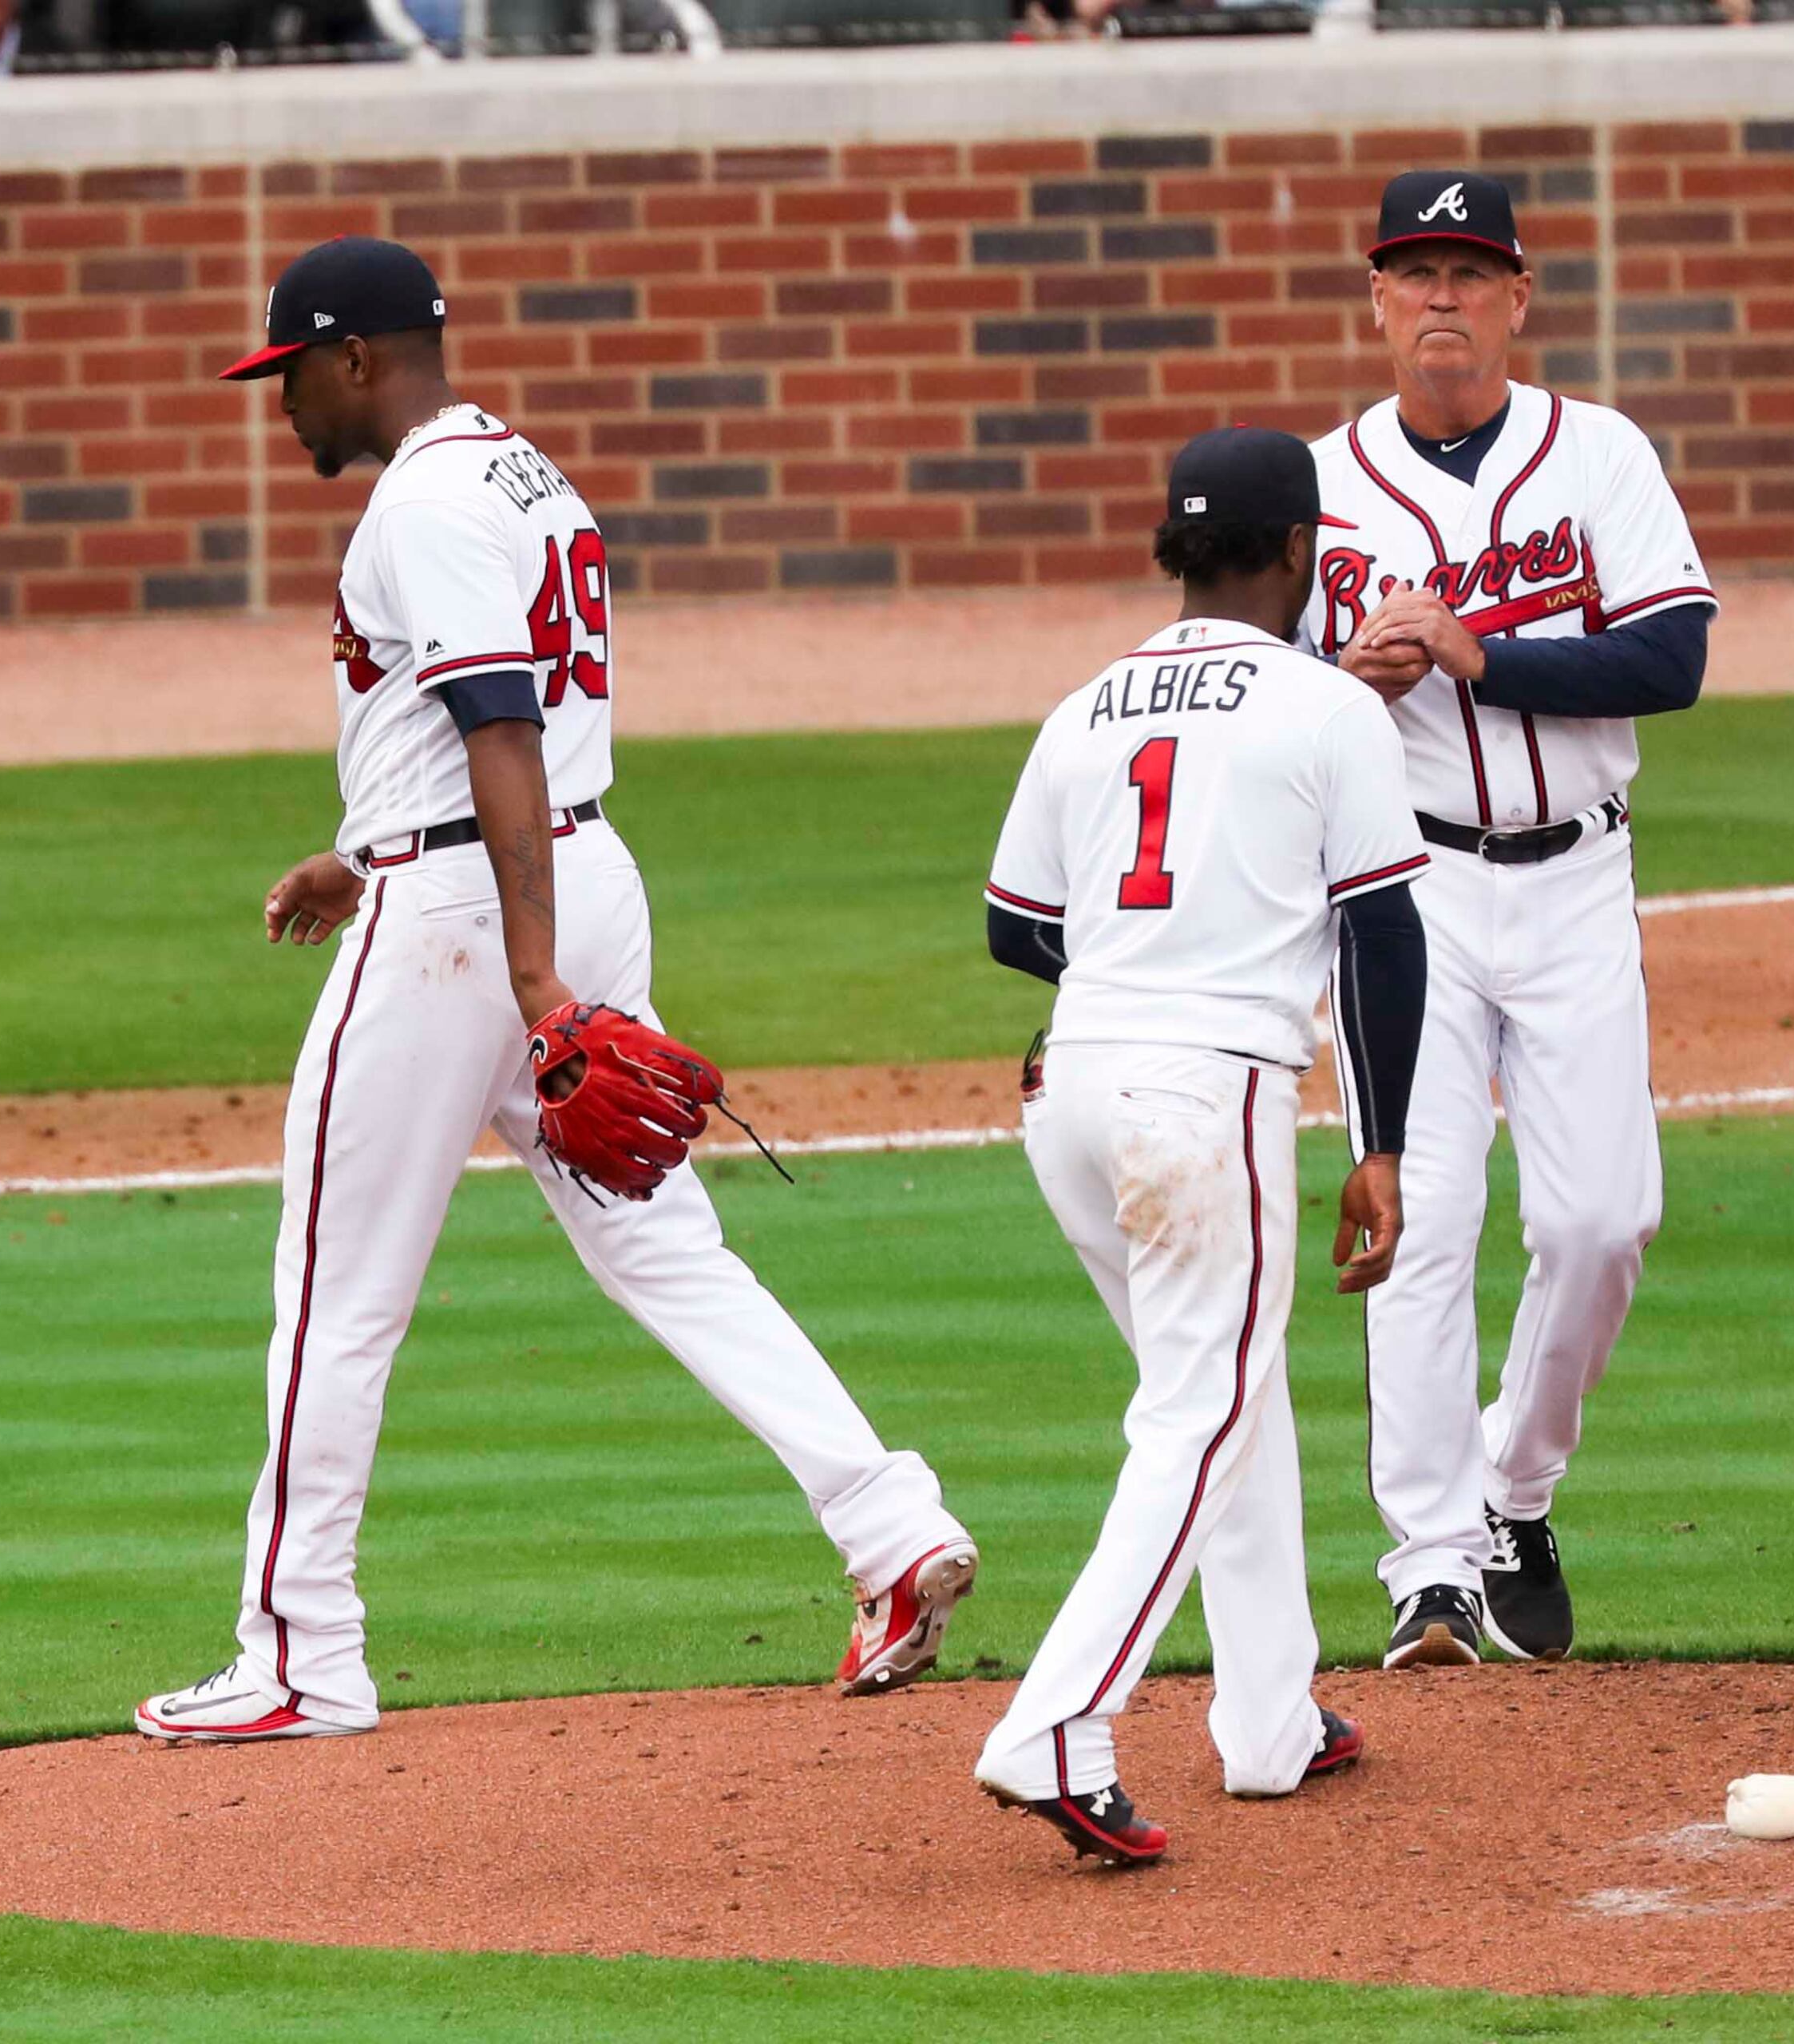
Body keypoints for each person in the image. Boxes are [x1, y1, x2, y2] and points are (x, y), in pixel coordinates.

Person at [136, 237, 976, 1745]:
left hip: (478, 916)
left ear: (357, 359)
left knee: (334, 1288)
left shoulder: (427, 501)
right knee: (664, 1247)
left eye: (290, 377)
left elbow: (499, 724)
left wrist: (522, 972)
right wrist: (362, 852)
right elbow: (465, 725)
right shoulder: (523, 475)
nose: (281, 410)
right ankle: (891, 1524)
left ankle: (299, 1650)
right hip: (558, 877)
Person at [975, 427, 1432, 1863]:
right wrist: (1386, 1141)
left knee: (1218, 1389)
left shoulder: (1085, 708)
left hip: (1073, 1089)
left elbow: (1016, 927)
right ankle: (1060, 1726)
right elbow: (1383, 935)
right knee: (1203, 1412)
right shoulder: (1326, 705)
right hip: (1200, 1096)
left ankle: (1270, 1714)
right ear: (1300, 550)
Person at [1307, 170, 1716, 1669]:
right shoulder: (1323, 484)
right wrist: (1349, 681)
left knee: (1605, 1220)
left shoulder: (1595, 453)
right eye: (1415, 274)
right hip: (1403, 891)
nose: (1442, 301)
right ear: (1376, 301)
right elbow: (1269, 697)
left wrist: (1485, 653)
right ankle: (1428, 1565)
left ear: (1518, 299)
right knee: (1420, 1224)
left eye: (1471, 275)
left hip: (1574, 874)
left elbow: (1672, 658)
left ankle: (1514, 1486)